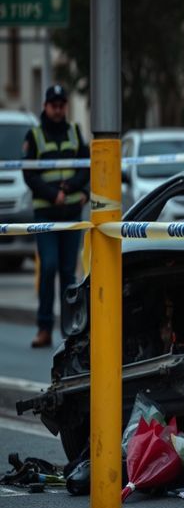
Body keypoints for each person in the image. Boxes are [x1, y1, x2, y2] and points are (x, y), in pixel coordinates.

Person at [22, 85, 89, 348]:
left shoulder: (74, 132)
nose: (58, 108)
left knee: (68, 273)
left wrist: (75, 189)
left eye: (62, 104)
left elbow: (86, 167)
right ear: (45, 107)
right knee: (48, 267)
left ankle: (70, 330)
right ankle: (44, 327)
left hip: (72, 213)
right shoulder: (35, 135)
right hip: (46, 214)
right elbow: (29, 173)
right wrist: (53, 194)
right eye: (54, 104)